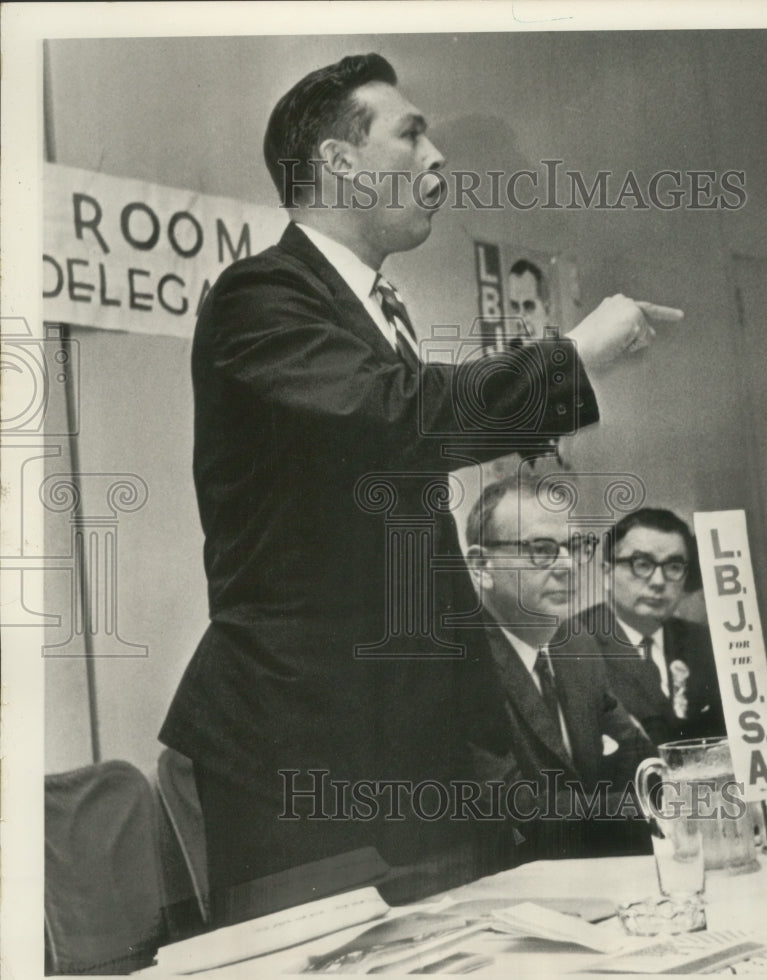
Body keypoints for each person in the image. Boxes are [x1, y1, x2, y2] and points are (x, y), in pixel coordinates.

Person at [159, 53, 682, 912]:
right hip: (305, 770)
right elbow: (398, 417)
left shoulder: (367, 312)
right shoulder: (260, 297)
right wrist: (572, 360)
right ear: (338, 164)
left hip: (412, 765)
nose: (437, 159)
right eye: (410, 133)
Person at [464, 478, 656, 861]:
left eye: (574, 547)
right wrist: (669, 804)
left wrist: (710, 770)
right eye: (540, 550)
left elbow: (638, 757)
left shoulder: (575, 646)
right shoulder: (461, 667)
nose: (568, 566)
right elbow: (519, 813)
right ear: (482, 566)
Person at [571, 507, 725, 747]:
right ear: (607, 574)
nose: (659, 581)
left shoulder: (705, 642)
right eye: (641, 564)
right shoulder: (574, 645)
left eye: (674, 567)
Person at [507, 258, 551, 345]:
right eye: (515, 307)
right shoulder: (511, 355)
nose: (520, 317)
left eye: (528, 306)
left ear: (547, 308)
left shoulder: (566, 351)